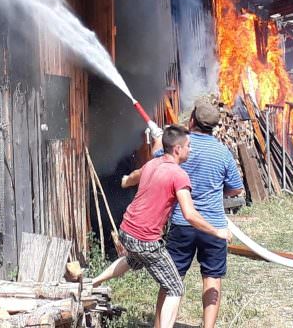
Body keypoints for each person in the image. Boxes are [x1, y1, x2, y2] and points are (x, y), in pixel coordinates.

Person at [121, 97, 244, 328]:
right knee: (212, 277)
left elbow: (154, 164)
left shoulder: (180, 146)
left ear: (193, 119)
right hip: (213, 226)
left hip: (182, 224)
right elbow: (236, 188)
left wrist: (155, 146)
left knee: (171, 279)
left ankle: (160, 325)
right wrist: (217, 189)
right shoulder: (222, 153)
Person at [92, 125, 229, 328]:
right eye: (188, 146)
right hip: (145, 239)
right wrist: (218, 231)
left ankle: (93, 282)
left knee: (131, 260)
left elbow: (135, 175)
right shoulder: (179, 175)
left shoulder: (153, 163)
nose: (191, 150)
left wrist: (124, 182)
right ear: (177, 149)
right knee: (175, 287)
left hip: (127, 230)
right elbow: (190, 215)